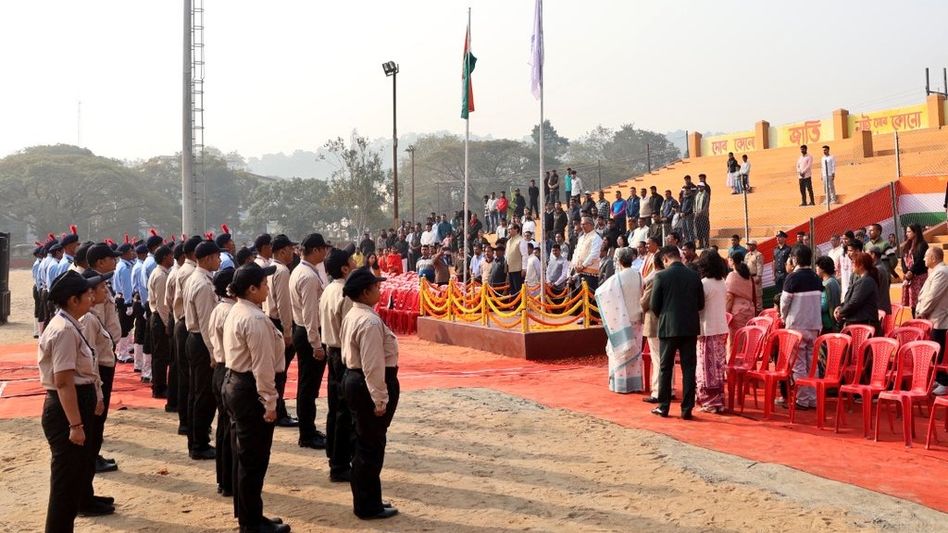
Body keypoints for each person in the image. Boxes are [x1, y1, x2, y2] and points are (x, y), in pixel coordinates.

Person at [40, 270, 114, 530]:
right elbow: (62, 381)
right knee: (65, 483)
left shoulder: (73, 323)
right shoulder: (63, 330)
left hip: (77, 402)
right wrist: (75, 425)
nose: (91, 297)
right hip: (65, 410)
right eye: (86, 294)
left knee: (72, 479)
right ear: (73, 300)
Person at [221, 262, 291, 533]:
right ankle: (250, 522)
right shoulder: (255, 319)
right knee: (254, 459)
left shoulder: (239, 310)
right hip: (250, 390)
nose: (267, 287)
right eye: (263, 283)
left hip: (235, 382)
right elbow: (263, 367)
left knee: (245, 456)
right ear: (251, 289)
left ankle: (249, 513)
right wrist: (270, 403)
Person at [340, 268, 401, 520]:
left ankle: (369, 498)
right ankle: (367, 504)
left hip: (355, 380)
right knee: (371, 445)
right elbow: (373, 365)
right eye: (375, 286)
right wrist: (380, 398)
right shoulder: (369, 321)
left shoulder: (355, 314)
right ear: (365, 292)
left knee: (367, 443)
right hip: (368, 383)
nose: (379, 289)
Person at [289, 233, 333, 451]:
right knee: (308, 386)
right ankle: (306, 434)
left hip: (304, 331)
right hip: (308, 333)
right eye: (323, 249)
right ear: (315, 250)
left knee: (308, 385)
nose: (325, 253)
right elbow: (310, 314)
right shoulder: (307, 276)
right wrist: (316, 344)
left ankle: (308, 430)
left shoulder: (302, 271)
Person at [650, 245, 703, 419]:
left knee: (665, 368)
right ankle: (687, 409)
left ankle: (663, 406)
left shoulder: (661, 276)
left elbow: (654, 306)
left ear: (665, 259)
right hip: (689, 327)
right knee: (689, 368)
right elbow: (701, 304)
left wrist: (666, 316)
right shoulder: (694, 276)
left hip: (668, 327)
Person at [320, 249, 357, 480]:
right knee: (345, 411)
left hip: (331, 350)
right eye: (351, 260)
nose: (355, 261)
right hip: (343, 353)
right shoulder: (345, 293)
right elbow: (351, 329)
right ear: (344, 268)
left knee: (336, 407)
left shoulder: (328, 290)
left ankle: (334, 455)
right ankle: (341, 464)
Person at [183, 240, 222, 460]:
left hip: (196, 339)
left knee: (198, 393)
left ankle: (197, 439)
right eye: (217, 257)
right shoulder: (203, 284)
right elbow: (207, 324)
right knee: (204, 395)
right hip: (201, 341)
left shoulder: (198, 278)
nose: (219, 260)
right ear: (207, 259)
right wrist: (214, 353)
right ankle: (199, 444)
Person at [595, 247, 644, 393]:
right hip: (637, 318)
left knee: (620, 353)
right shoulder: (639, 275)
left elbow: (600, 292)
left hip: (621, 320)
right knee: (634, 352)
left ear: (620, 261)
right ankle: (635, 384)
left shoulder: (617, 278)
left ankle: (621, 385)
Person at [779, 245, 821, 410]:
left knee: (798, 364)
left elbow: (784, 303)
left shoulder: (792, 278)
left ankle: (802, 400)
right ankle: (813, 399)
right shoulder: (816, 278)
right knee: (812, 364)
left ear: (794, 259)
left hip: (797, 326)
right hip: (814, 325)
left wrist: (783, 316)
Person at [265, 235, 300, 429]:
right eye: (290, 249)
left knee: (275, 370)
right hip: (279, 322)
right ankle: (279, 411)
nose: (293, 253)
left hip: (270, 320)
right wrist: (288, 331)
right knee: (280, 371)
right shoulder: (282, 271)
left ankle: (277, 408)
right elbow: (284, 305)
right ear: (282, 251)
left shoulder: (270, 268)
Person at [207, 266, 236, 498]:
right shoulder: (231, 312)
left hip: (219, 367)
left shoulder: (219, 309)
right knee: (231, 430)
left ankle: (224, 479)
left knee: (224, 427)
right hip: (229, 368)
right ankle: (229, 480)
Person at [170, 235, 202, 435]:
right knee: (191, 379)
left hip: (181, 322)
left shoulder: (182, 270)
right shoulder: (190, 273)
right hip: (187, 324)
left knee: (186, 376)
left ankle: (187, 421)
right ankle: (188, 422)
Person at [695, 251, 729, 413]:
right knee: (717, 366)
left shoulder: (704, 284)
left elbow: (699, 306)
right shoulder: (722, 282)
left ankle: (710, 401)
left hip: (707, 328)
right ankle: (718, 399)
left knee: (706, 366)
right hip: (720, 327)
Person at [915, 247, 948, 395]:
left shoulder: (942, 272)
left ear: (933, 258)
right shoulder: (936, 271)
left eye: (926, 257)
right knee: (937, 350)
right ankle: (939, 378)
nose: (923, 259)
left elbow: (933, 296)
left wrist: (922, 312)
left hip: (940, 318)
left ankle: (944, 381)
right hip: (934, 318)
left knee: (940, 351)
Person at [147, 245, 174, 399]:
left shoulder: (160, 273)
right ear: (165, 257)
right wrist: (166, 324)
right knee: (161, 356)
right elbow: (162, 305)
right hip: (159, 318)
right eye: (171, 255)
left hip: (157, 317)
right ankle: (159, 387)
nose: (173, 258)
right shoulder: (161, 276)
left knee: (160, 355)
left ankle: (159, 385)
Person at [640, 252, 667, 404]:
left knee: (657, 359)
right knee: (666, 358)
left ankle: (658, 391)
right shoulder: (669, 276)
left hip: (654, 321)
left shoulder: (655, 278)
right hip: (668, 321)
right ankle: (668, 389)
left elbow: (645, 303)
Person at [834, 252, 881, 334]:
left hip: (864, 324)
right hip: (859, 322)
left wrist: (841, 312)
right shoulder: (863, 280)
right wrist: (840, 307)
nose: (852, 265)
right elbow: (851, 299)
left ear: (861, 265)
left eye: (853, 263)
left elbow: (854, 302)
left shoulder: (866, 281)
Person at [900, 223, 929, 314]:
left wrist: (911, 272)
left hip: (919, 277)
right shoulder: (907, 244)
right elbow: (902, 259)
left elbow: (920, 261)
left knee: (920, 302)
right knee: (912, 303)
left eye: (909, 231)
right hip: (910, 277)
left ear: (915, 232)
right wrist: (906, 271)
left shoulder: (922, 245)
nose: (906, 234)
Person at [571, 216, 603, 294]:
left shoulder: (596, 238)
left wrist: (583, 266)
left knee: (588, 300)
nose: (582, 226)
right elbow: (576, 253)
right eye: (581, 224)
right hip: (579, 273)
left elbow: (594, 254)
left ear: (591, 225)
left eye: (584, 224)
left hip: (590, 275)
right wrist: (575, 265)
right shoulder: (581, 238)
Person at [726, 252, 756, 335]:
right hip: (749, 310)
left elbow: (729, 298)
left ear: (732, 261)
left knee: (736, 341)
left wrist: (726, 314)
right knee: (747, 339)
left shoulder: (732, 275)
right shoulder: (747, 275)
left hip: (737, 314)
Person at [815, 256, 841, 334]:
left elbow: (824, 306)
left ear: (822, 269)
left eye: (817, 266)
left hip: (828, 324)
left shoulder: (827, 284)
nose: (816, 269)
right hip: (834, 321)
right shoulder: (833, 280)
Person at [504, 224, 526, 295]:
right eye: (508, 229)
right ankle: (515, 305)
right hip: (510, 269)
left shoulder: (521, 240)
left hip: (518, 270)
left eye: (510, 229)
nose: (509, 231)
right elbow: (507, 255)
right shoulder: (508, 241)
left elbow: (525, 255)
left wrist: (524, 268)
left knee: (518, 289)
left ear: (516, 229)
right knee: (512, 290)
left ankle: (519, 305)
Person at [744, 240, 764, 313]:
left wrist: (759, 276)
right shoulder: (747, 255)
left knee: (758, 295)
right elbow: (745, 266)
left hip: (755, 276)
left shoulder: (758, 255)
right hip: (749, 277)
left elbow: (760, 266)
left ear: (755, 246)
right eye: (748, 245)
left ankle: (759, 312)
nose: (749, 246)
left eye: (750, 245)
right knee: (750, 295)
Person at [694, 175, 711, 249]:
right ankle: (700, 244)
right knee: (698, 230)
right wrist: (695, 212)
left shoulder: (706, 194)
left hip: (703, 215)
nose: (699, 188)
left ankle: (706, 244)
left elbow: (706, 204)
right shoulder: (697, 195)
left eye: (701, 187)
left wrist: (701, 212)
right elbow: (694, 204)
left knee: (705, 230)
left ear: (703, 187)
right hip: (697, 215)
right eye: (699, 187)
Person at [678, 176, 696, 242]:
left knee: (690, 230)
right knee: (684, 230)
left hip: (689, 215)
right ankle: (687, 242)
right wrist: (680, 212)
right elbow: (680, 205)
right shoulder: (684, 198)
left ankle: (691, 243)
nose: (686, 191)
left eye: (687, 190)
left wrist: (685, 213)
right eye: (685, 190)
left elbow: (691, 207)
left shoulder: (692, 198)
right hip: (683, 216)